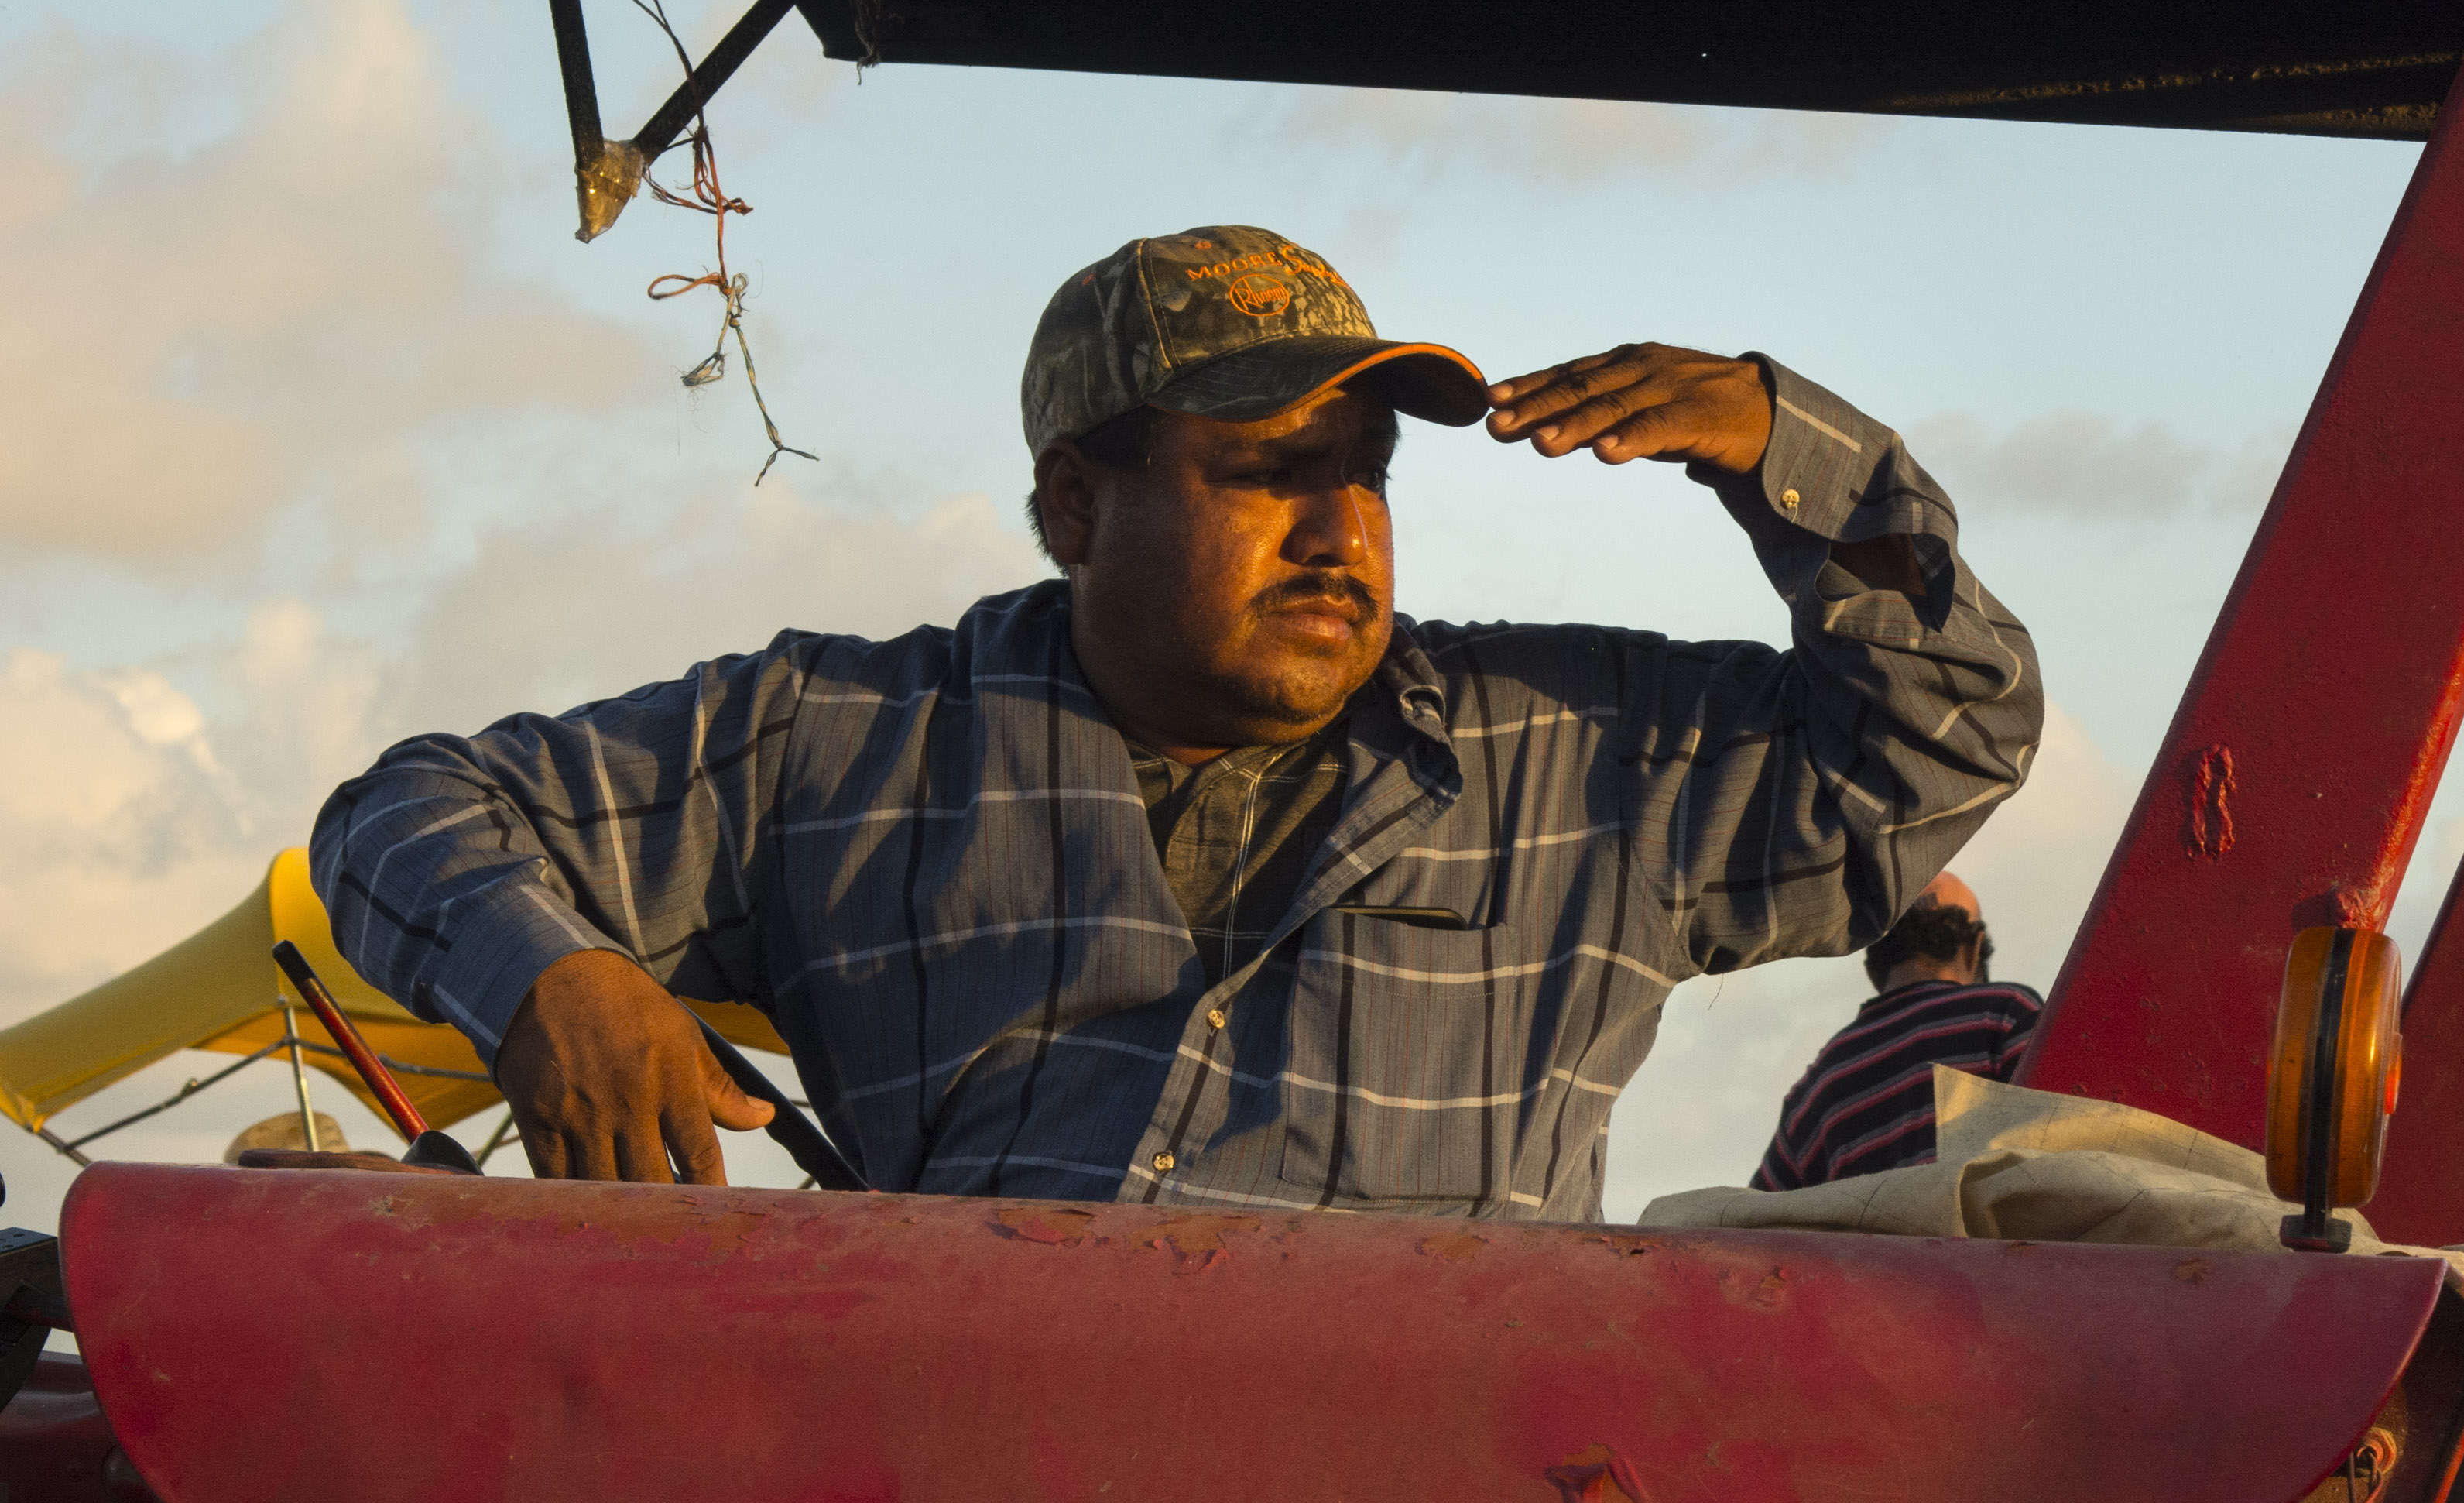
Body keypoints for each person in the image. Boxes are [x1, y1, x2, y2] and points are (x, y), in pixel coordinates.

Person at [313, 228, 2036, 1215]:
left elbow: (1943, 739)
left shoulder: (1586, 750)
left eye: (1362, 475)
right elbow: (403, 814)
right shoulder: (838, 739)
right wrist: (552, 977)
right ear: (1075, 502)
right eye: (1267, 472)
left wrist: (1794, 454)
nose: (1338, 529)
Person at [1749, 874, 2044, 1189]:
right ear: (1974, 950)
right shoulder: (2005, 1014)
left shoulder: (1817, 1087)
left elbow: (1751, 1226)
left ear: (1873, 969)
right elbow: (2069, 1137)